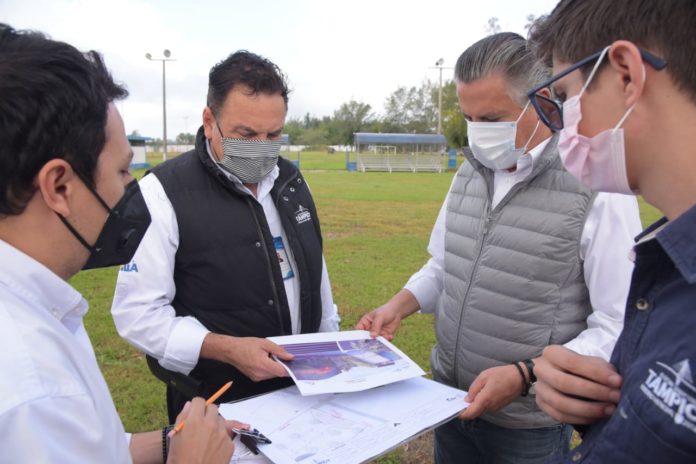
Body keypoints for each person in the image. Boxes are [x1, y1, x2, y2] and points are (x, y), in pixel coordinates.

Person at [357, 32, 642, 464]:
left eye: (491, 118)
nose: (478, 133)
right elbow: (444, 264)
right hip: (449, 401)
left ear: (543, 101)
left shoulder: (596, 187)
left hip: (528, 427)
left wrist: (525, 376)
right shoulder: (469, 174)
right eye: (469, 118)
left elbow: (617, 324)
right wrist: (398, 305)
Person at [0, 24, 238, 463]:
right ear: (59, 186)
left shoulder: (38, 311)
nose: (131, 190)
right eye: (123, 171)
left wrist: (172, 442)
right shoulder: (31, 387)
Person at [111, 50, 340, 422]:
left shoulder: (292, 181)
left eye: (274, 135)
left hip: (304, 393)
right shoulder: (161, 192)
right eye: (245, 135)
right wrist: (227, 349)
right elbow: (137, 314)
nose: (261, 148)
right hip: (219, 407)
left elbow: (315, 273)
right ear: (209, 121)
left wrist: (330, 343)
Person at [526, 1, 696, 461]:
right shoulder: (669, 257)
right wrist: (605, 412)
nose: (563, 127)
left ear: (625, 75)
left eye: (565, 96)